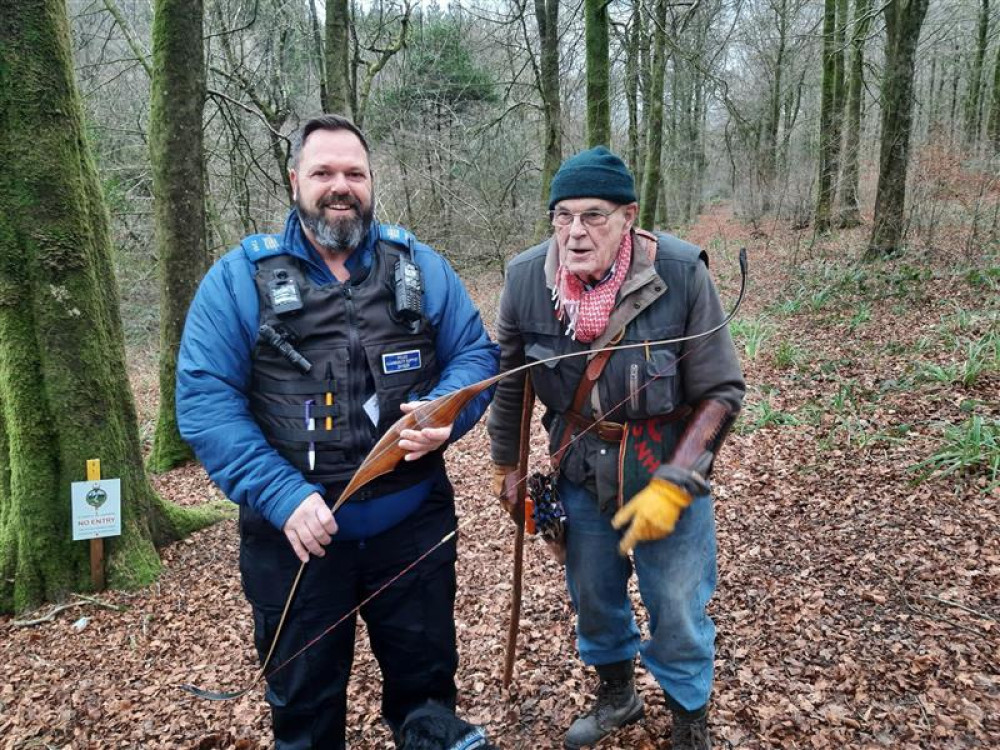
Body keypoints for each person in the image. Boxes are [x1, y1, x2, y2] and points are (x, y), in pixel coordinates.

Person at [177, 114, 499, 749]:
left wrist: (444, 412)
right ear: (296, 180)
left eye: (354, 172)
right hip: (296, 545)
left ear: (372, 181)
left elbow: (475, 355)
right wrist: (280, 494)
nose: (339, 186)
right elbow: (205, 402)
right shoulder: (239, 281)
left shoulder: (422, 268)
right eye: (323, 172)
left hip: (412, 532)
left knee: (428, 698)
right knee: (304, 711)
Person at [487, 147, 745, 750]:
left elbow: (722, 392)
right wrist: (507, 470)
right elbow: (509, 385)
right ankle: (618, 695)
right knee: (594, 597)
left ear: (629, 216)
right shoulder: (527, 279)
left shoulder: (681, 273)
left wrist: (678, 480)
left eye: (594, 215)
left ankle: (688, 718)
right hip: (576, 469)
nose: (576, 232)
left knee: (677, 606)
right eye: (563, 216)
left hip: (662, 468)